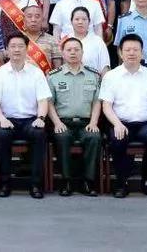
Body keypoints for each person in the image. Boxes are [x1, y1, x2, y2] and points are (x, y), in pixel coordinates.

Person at [99, 34, 147, 198]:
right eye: (128, 50)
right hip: (120, 123)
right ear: (120, 52)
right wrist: (117, 124)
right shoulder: (111, 76)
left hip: (145, 124)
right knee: (118, 139)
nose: (132, 53)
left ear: (142, 53)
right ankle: (121, 183)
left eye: (135, 50)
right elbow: (106, 106)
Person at [0, 33, 51, 199]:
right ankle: (4, 183)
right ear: (7, 50)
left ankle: (36, 184)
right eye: (13, 46)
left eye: (20, 46)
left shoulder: (36, 73)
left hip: (31, 120)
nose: (16, 50)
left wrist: (41, 118)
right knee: (2, 135)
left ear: (27, 49)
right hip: (7, 119)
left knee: (39, 134)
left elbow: (43, 100)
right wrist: (2, 119)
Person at [46, 37, 102, 197]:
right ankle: (66, 181)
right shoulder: (53, 76)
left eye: (76, 50)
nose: (73, 53)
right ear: (63, 53)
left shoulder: (93, 75)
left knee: (94, 137)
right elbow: (49, 103)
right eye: (69, 50)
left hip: (86, 122)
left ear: (82, 52)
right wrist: (57, 123)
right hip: (63, 122)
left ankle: (88, 182)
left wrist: (94, 122)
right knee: (62, 137)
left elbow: (97, 102)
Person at [19, 4, 62, 71]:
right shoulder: (17, 39)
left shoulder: (52, 40)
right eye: (29, 16)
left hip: (45, 77)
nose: (33, 20)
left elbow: (58, 69)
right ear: (24, 20)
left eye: (37, 16)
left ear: (42, 20)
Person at [68, 7, 110, 76]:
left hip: (93, 81)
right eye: (77, 19)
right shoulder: (65, 40)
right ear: (71, 21)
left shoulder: (98, 41)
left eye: (84, 19)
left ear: (89, 21)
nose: (80, 22)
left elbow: (105, 67)